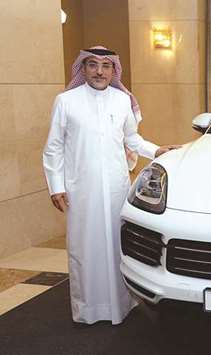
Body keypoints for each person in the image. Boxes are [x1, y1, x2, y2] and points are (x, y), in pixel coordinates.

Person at [42, 46, 180, 325]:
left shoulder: (121, 100)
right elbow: (53, 148)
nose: (100, 72)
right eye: (93, 65)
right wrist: (56, 186)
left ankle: (122, 305)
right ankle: (87, 309)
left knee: (117, 246)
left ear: (113, 70)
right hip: (82, 190)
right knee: (84, 249)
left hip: (117, 189)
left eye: (106, 66)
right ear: (83, 68)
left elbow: (132, 139)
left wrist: (156, 151)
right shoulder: (66, 101)